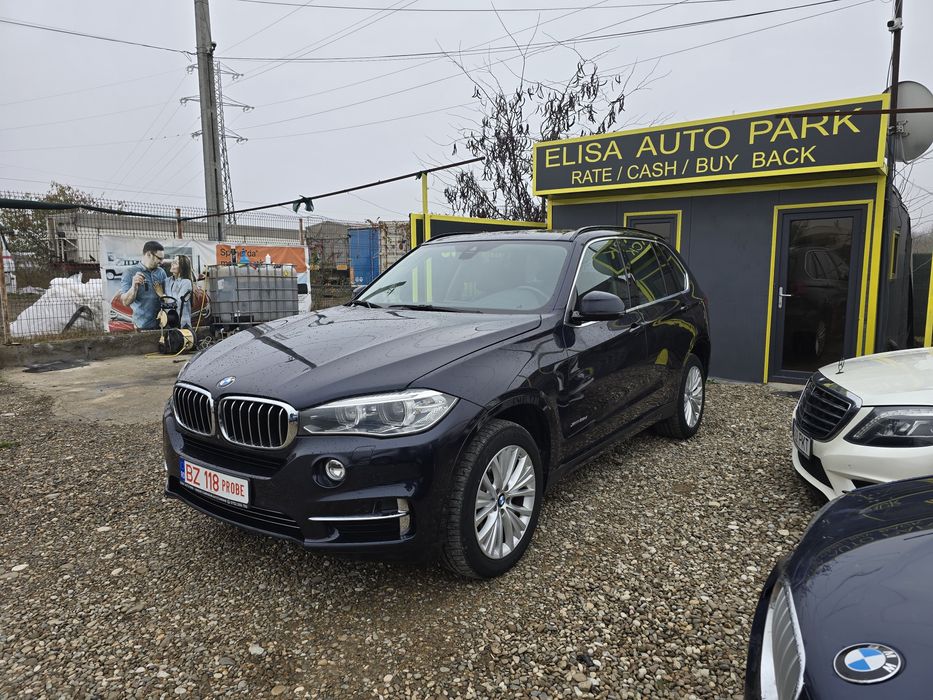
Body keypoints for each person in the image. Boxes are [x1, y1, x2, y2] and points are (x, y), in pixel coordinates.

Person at [119, 241, 167, 330]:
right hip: (142, 326)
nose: (161, 262)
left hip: (163, 324)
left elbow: (167, 297)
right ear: (149, 254)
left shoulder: (161, 272)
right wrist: (134, 287)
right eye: (159, 258)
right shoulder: (130, 273)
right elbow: (125, 302)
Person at [165, 254, 196, 328]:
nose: (172, 264)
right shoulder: (167, 281)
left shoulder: (186, 282)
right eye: (173, 262)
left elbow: (178, 303)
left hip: (182, 323)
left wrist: (163, 297)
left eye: (175, 263)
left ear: (182, 267)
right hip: (168, 323)